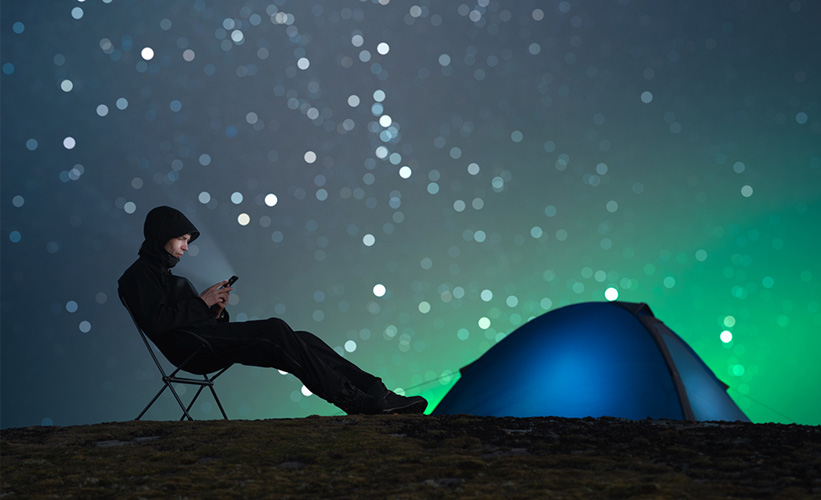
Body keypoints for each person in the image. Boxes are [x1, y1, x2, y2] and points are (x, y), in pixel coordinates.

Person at [118, 205, 428, 415]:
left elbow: (188, 316)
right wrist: (202, 303)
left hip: (206, 337)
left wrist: (214, 310)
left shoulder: (172, 278)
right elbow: (158, 323)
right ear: (162, 236)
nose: (186, 247)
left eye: (187, 240)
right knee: (275, 330)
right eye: (181, 239)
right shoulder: (136, 277)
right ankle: (354, 400)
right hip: (191, 349)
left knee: (300, 337)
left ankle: (376, 391)